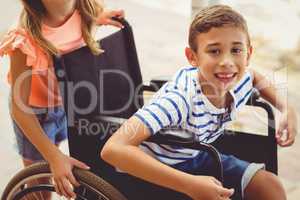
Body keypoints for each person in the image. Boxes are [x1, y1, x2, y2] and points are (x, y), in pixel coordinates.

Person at [101, 5, 298, 200]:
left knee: (270, 187)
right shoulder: (179, 100)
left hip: (196, 153)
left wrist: (286, 108)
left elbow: (254, 76)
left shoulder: (237, 79)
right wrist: (190, 185)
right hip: (158, 168)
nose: (227, 62)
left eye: (236, 50)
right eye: (214, 51)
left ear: (248, 54)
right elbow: (114, 149)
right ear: (192, 57)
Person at [0, 0, 124, 199]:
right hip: (34, 115)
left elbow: (73, 28)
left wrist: (95, 18)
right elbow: (20, 109)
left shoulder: (85, 10)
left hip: (66, 104)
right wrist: (54, 157)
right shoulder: (23, 37)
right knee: (40, 185)